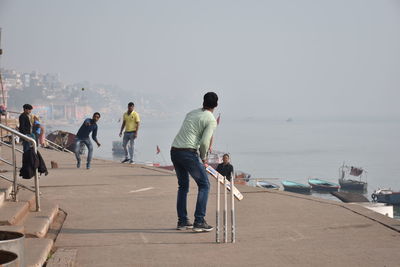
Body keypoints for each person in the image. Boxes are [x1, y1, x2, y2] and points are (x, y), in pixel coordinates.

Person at [171, 92, 218, 232]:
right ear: (216, 104)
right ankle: (199, 221)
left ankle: (183, 221)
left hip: (175, 150)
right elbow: (204, 142)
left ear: (203, 102)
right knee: (204, 184)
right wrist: (203, 158)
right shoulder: (211, 119)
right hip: (188, 153)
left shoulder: (191, 113)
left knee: (183, 186)